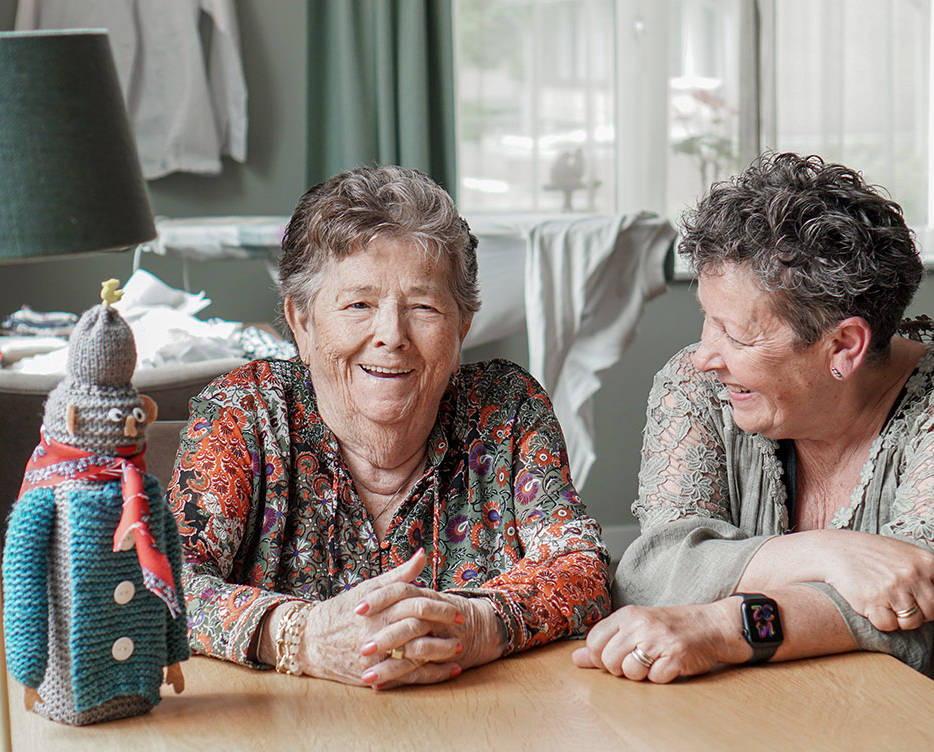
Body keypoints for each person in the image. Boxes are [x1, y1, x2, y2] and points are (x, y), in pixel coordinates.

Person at [575, 153, 934, 752]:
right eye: (707, 319)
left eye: (735, 333)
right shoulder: (699, 390)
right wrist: (830, 552)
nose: (706, 355)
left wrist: (720, 625)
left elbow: (910, 623)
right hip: (778, 741)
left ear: (844, 347)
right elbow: (653, 572)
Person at [169, 165, 610, 690]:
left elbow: (581, 566)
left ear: (462, 328)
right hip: (281, 739)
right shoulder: (244, 412)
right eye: (359, 305)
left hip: (482, 738)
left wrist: (476, 624)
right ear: (302, 324)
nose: (391, 336)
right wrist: (300, 636)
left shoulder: (508, 411)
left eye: (423, 307)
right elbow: (164, 578)